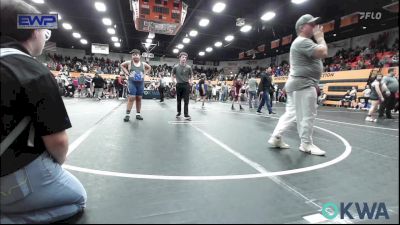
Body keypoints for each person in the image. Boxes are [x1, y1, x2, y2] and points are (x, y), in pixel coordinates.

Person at [0, 0, 86, 223]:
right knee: (77, 198)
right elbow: (58, 144)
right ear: (33, 31)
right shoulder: (32, 71)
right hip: (11, 177)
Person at [268, 14, 328, 156]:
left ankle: (276, 137)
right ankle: (306, 144)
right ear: (301, 28)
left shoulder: (300, 42)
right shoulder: (302, 41)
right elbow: (323, 52)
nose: (314, 27)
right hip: (303, 84)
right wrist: (320, 38)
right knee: (308, 115)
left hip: (298, 83)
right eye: (311, 24)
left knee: (291, 113)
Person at [121, 49, 151, 121]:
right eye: (133, 55)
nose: (135, 56)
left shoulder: (143, 64)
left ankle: (138, 114)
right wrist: (127, 73)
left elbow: (149, 67)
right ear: (132, 56)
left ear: (139, 56)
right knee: (131, 98)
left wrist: (144, 74)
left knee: (139, 98)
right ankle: (127, 115)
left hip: (140, 83)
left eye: (136, 55)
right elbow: (121, 65)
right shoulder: (129, 63)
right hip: (132, 83)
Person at [172, 52, 193, 120]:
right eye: (183, 57)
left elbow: (191, 76)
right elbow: (172, 75)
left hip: (186, 85)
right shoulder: (175, 67)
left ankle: (186, 114)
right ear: (179, 58)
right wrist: (173, 81)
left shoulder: (189, 67)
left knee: (186, 100)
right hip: (178, 85)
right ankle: (179, 112)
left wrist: (191, 81)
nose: (184, 59)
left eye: (185, 57)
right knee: (179, 100)